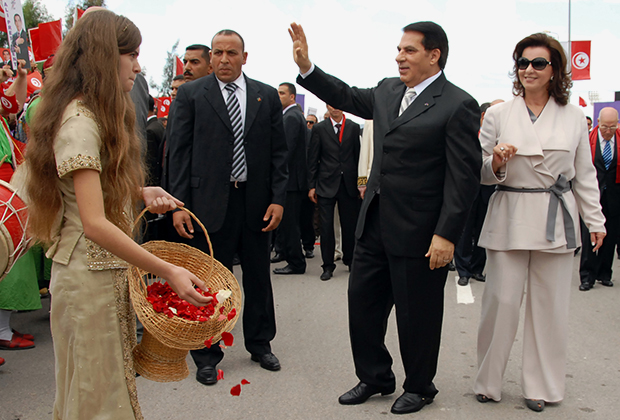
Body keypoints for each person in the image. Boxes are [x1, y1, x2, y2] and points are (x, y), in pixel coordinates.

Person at [23, 10, 212, 419]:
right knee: (94, 398)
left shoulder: (89, 114)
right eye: (133, 55)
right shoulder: (80, 122)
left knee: (106, 390)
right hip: (86, 280)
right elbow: (93, 222)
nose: (138, 67)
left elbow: (90, 194)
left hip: (102, 276)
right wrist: (167, 270)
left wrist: (140, 190)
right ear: (106, 57)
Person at [289, 21, 481, 414]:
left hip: (421, 232)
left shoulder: (457, 104)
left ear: (434, 55)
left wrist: (446, 234)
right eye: (398, 49)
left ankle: (420, 386)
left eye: (409, 50)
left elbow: (463, 179)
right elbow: (343, 93)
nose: (399, 57)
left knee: (418, 317)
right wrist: (308, 67)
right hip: (374, 223)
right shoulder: (388, 90)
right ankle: (375, 376)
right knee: (362, 306)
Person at [473, 33, 605, 412]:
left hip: (555, 215)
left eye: (538, 63)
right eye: (523, 62)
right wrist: (497, 161)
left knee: (549, 308)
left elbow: (584, 174)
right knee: (501, 302)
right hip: (509, 212)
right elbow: (478, 171)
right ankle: (488, 380)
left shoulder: (574, 116)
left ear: (554, 70)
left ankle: (541, 386)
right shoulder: (499, 114)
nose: (529, 69)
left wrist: (594, 221)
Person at [167, 29, 287, 386]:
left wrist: (279, 199)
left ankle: (261, 343)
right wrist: (177, 205)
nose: (223, 59)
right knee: (209, 283)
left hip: (255, 203)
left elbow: (280, 154)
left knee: (258, 278)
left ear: (244, 57)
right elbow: (178, 152)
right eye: (217, 52)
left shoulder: (266, 96)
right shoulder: (191, 94)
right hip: (207, 205)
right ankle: (206, 353)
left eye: (231, 53)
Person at [307, 105, 361, 280]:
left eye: (338, 106)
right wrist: (311, 186)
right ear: (327, 107)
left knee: (349, 225)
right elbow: (313, 158)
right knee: (327, 226)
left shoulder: (352, 127)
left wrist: (361, 183)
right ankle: (327, 266)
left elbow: (358, 155)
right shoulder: (319, 128)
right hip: (325, 184)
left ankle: (350, 260)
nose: (334, 109)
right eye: (331, 106)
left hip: (349, 184)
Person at [455, 100, 503, 286]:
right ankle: (463, 270)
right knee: (465, 231)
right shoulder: (469, 132)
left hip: (489, 189)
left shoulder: (504, 137)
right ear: (484, 116)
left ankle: (477, 268)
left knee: (483, 228)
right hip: (468, 188)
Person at [579, 107, 620, 290]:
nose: (608, 131)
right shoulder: (588, 141)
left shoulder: (618, 140)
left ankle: (605, 273)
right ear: (598, 123)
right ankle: (587, 276)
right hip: (592, 195)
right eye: (605, 127)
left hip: (614, 196)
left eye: (612, 127)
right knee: (589, 237)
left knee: (610, 236)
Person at [272, 82, 308, 275]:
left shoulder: (292, 117)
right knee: (288, 223)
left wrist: (277, 175)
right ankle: (287, 254)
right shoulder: (293, 116)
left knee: (289, 224)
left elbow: (285, 150)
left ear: (292, 97)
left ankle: (296, 262)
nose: (278, 96)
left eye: (282, 93)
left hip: (290, 180)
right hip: (293, 179)